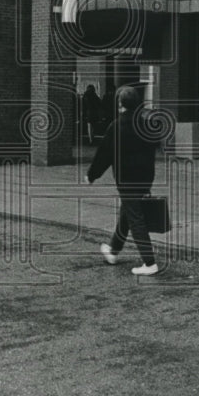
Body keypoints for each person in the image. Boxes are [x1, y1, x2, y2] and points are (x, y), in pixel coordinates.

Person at [87, 85, 160, 276]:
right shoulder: (145, 124)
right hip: (145, 178)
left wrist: (92, 175)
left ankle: (149, 262)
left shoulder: (116, 126)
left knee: (135, 218)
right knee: (127, 214)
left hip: (127, 179)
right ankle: (113, 250)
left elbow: (104, 155)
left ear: (120, 104)